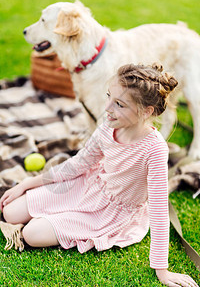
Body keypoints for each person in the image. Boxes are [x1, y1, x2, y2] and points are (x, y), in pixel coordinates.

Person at [0, 63, 198, 287]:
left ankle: (53, 219)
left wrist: (162, 270)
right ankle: (51, 211)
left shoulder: (155, 149)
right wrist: (27, 184)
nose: (107, 108)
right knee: (10, 212)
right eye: (108, 97)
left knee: (31, 234)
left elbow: (159, 209)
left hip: (110, 212)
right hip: (88, 187)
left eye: (119, 104)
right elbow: (77, 164)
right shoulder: (108, 126)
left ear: (146, 111)